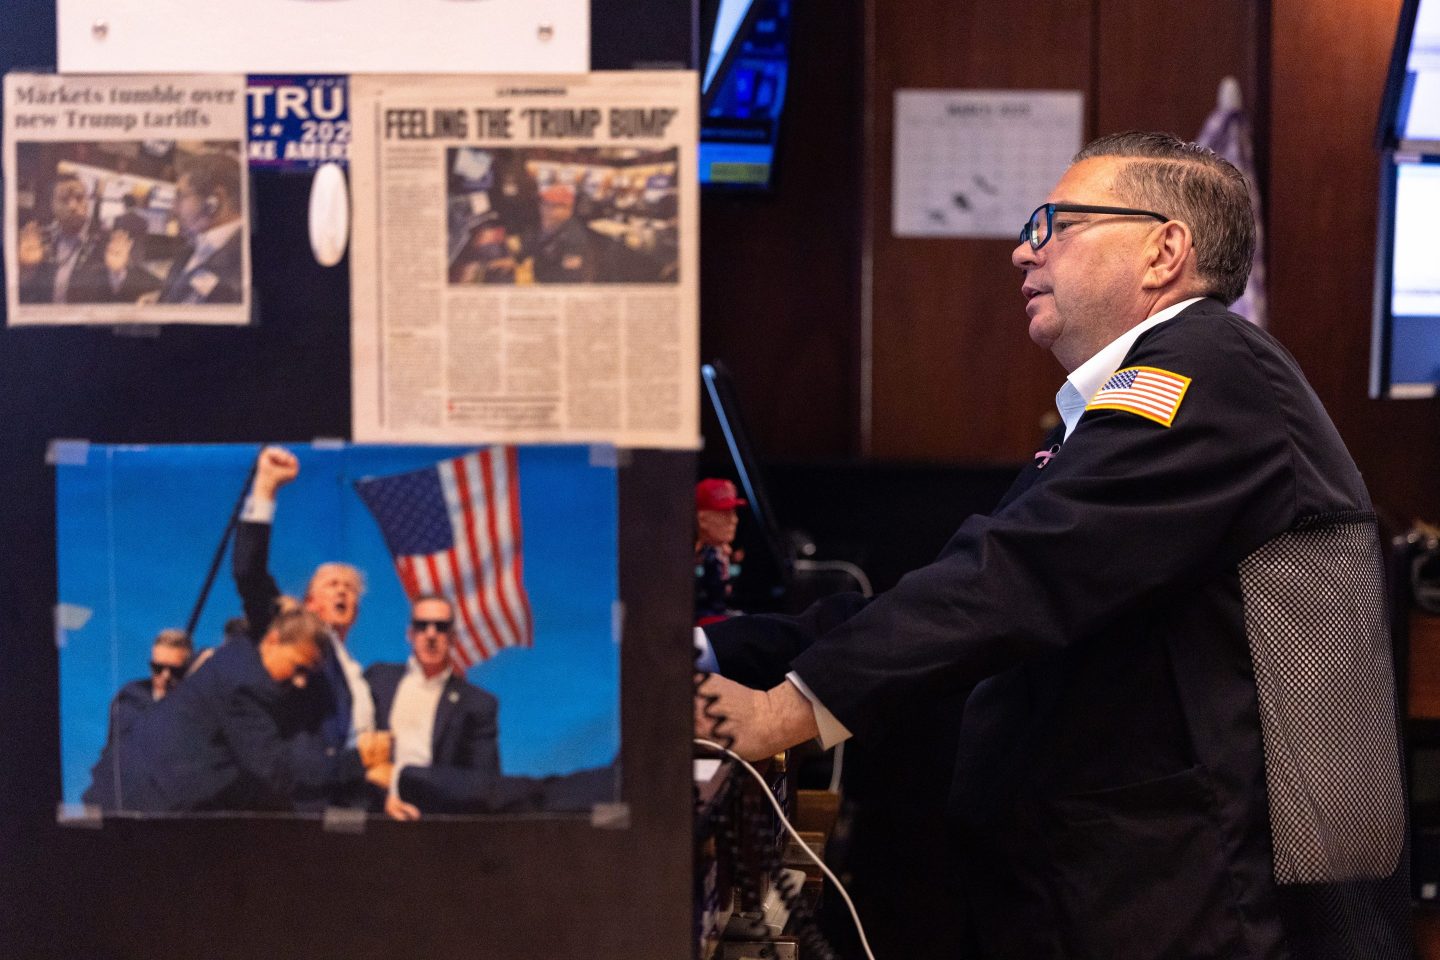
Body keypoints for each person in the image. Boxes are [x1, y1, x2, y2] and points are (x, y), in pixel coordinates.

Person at [695, 131, 1409, 959]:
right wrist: (720, 651)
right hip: (1127, 882)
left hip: (1193, 900)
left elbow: (1020, 573)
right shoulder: (1151, 394)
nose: (1021, 250)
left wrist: (787, 709)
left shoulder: (1205, 369)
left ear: (1163, 250)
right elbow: (969, 575)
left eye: (1057, 224)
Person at [87, 610, 390, 813]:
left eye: (309, 674)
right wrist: (360, 762)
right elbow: (277, 770)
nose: (301, 682)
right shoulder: (242, 687)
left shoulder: (245, 652)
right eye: (298, 668)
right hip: (139, 808)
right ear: (273, 640)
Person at [233, 446, 380, 807]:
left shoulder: (358, 673)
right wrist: (265, 490)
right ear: (310, 603)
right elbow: (249, 575)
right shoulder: (296, 639)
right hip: (305, 800)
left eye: (350, 589)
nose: (343, 591)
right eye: (332, 585)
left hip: (356, 799)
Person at [365, 595, 502, 820]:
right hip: (374, 816)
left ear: (453, 637)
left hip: (434, 825)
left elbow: (483, 782)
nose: (431, 634)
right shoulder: (378, 680)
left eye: (441, 627)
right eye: (422, 626)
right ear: (410, 634)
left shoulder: (477, 704)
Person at [82, 629, 193, 801]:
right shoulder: (129, 699)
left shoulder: (195, 705)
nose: (165, 675)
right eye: (158, 668)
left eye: (175, 670)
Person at [155, 151, 244, 304]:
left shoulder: (241, 268)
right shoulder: (192, 246)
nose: (174, 209)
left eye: (181, 196)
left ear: (214, 201)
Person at [15, 172, 109, 304]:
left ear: (88, 203)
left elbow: (115, 295)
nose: (73, 206)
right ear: (52, 205)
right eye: (64, 199)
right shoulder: (39, 240)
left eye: (79, 198)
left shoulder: (104, 243)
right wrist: (26, 269)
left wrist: (117, 274)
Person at [694, 478, 746, 625]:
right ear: (702, 519)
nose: (734, 520)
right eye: (724, 514)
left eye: (733, 513)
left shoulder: (723, 552)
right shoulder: (704, 556)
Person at [522, 183, 595, 283]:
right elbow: (526, 253)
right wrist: (514, 262)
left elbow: (569, 279)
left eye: (553, 206)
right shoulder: (537, 227)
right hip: (536, 281)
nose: (546, 209)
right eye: (544, 203)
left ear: (568, 209)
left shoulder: (575, 237)